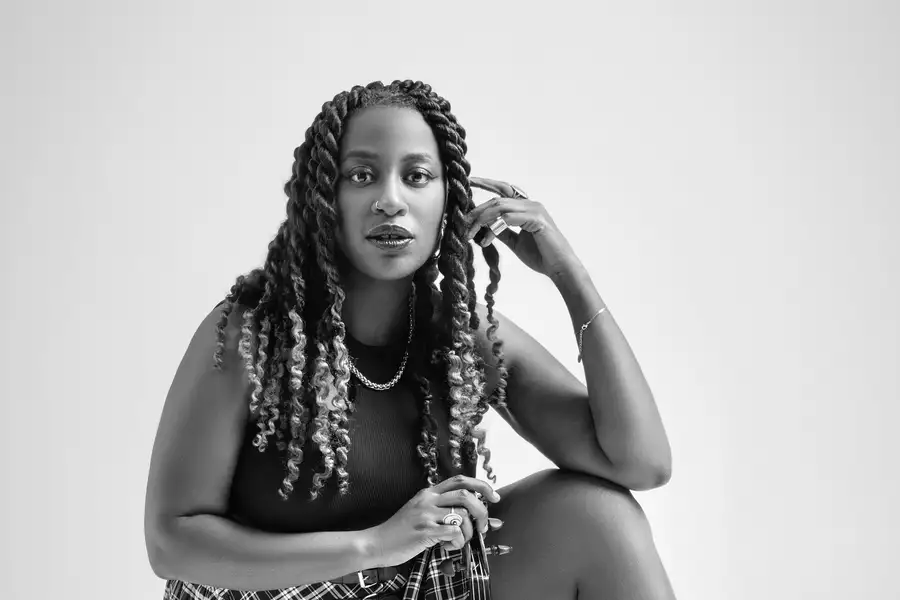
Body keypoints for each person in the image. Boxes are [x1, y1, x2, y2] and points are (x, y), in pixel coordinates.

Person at [143, 79, 676, 600]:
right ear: (324, 198)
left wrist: (570, 276)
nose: (390, 200)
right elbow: (171, 541)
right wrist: (374, 546)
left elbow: (639, 463)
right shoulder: (253, 335)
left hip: (416, 589)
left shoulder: (460, 338)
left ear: (451, 199)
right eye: (361, 176)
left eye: (417, 176)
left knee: (595, 515)